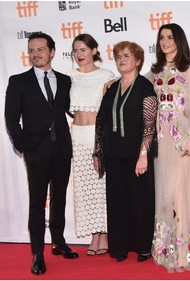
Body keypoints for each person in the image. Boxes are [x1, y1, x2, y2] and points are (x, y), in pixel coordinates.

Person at [4, 32, 79, 276]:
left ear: (52, 52)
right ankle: (37, 253)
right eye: (32, 50)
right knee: (37, 204)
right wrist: (23, 145)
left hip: (62, 149)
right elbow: (11, 118)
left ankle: (58, 242)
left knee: (59, 198)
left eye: (40, 50)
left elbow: (69, 110)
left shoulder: (66, 80)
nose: (36, 54)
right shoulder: (18, 81)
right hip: (36, 150)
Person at [147, 23, 190, 272]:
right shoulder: (154, 73)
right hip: (162, 142)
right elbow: (138, 91)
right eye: (162, 37)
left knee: (183, 193)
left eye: (170, 37)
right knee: (168, 194)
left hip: (183, 141)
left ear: (179, 41)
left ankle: (187, 252)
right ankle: (170, 249)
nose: (165, 42)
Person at [93, 41, 157, 263]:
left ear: (138, 60)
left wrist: (143, 155)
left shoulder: (145, 87)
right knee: (117, 201)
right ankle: (119, 247)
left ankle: (143, 248)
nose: (122, 59)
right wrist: (98, 152)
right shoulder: (111, 88)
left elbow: (150, 126)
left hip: (136, 155)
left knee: (140, 201)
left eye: (127, 56)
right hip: (113, 154)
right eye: (118, 56)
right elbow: (100, 121)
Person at [67, 34, 116, 256]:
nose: (79, 55)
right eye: (76, 51)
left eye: (84, 50)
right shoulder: (68, 77)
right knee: (84, 189)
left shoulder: (107, 76)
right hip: (76, 137)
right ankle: (93, 235)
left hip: (98, 136)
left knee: (101, 188)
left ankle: (104, 234)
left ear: (95, 50)